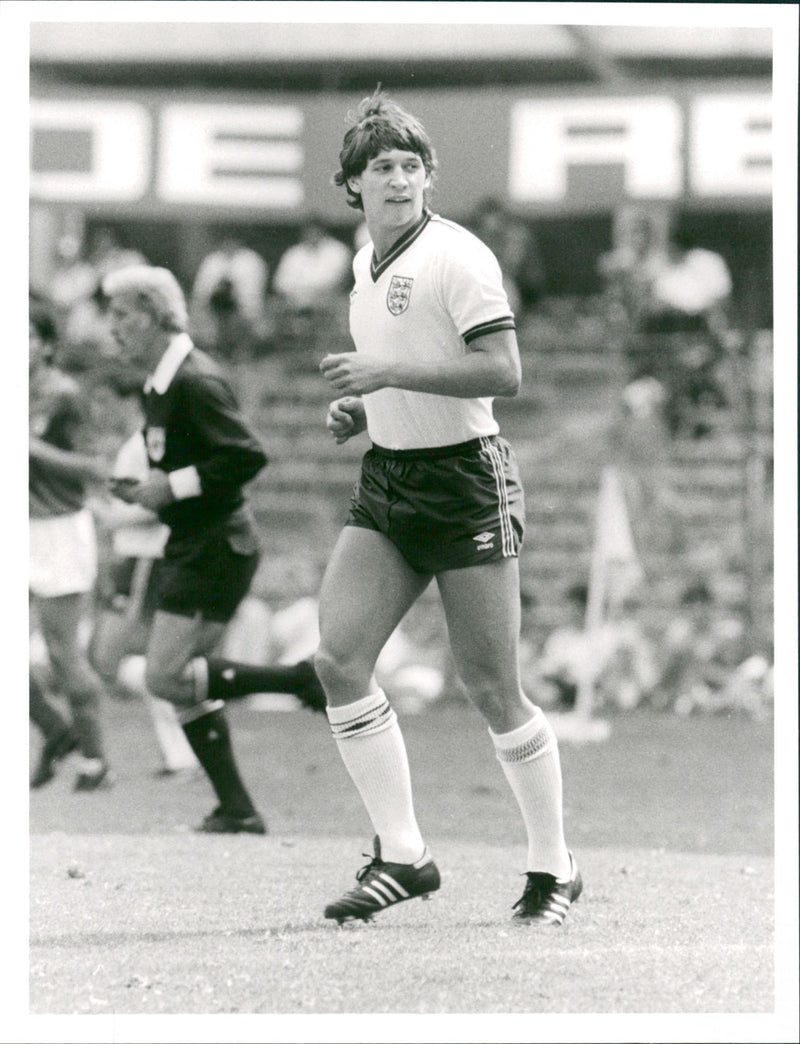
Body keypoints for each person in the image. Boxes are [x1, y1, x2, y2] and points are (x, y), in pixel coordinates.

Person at [315, 89, 581, 926]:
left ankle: (555, 867)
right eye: (379, 167)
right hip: (390, 477)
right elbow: (403, 358)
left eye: (409, 165)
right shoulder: (364, 265)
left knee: (493, 688)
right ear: (351, 186)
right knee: (338, 660)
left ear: (429, 176)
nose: (397, 179)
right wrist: (366, 406)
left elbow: (504, 373)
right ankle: (404, 855)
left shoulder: (458, 256)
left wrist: (387, 378)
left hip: (466, 478)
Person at [102, 265, 326, 834]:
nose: (112, 329)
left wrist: (170, 487)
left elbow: (247, 457)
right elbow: (190, 466)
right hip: (195, 540)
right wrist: (147, 490)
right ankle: (237, 807)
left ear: (154, 316)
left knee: (163, 676)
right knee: (178, 680)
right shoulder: (160, 381)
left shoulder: (194, 380)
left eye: (122, 316)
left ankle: (300, 682)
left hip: (216, 544)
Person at [29, 304, 114, 791]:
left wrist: (31, 447)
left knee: (63, 653)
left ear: (45, 345)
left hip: (58, 530)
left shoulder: (64, 396)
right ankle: (53, 729)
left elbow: (95, 465)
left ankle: (96, 761)